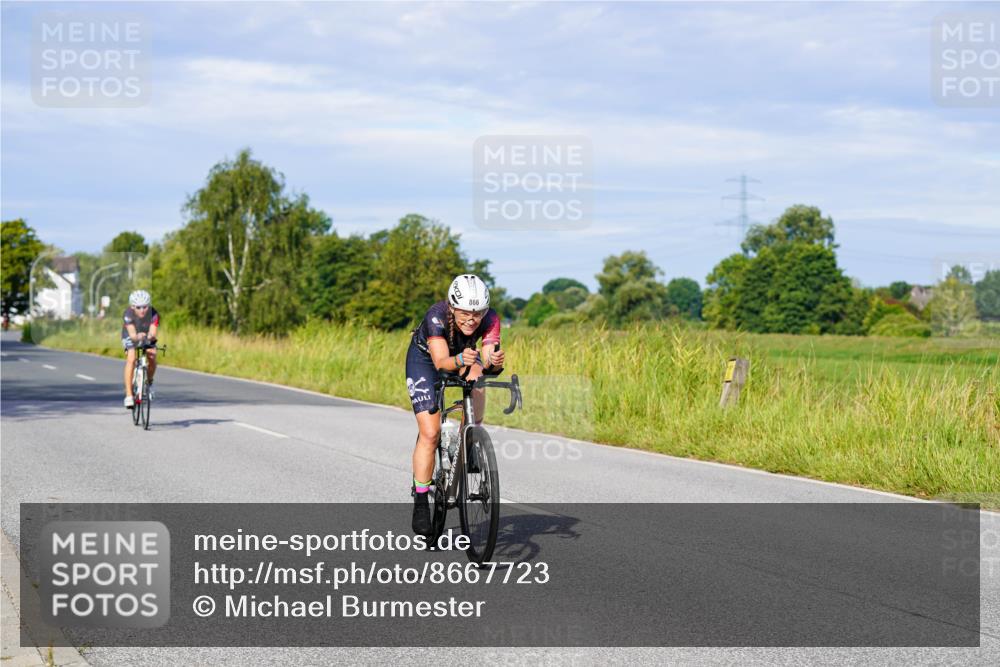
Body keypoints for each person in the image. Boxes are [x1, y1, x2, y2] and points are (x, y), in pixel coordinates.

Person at [406, 274, 506, 537]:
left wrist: (494, 362)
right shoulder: (436, 316)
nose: (472, 320)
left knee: (478, 379)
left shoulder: (491, 318)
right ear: (452, 307)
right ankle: (420, 499)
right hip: (426, 361)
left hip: (465, 357)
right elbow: (441, 362)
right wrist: (461, 359)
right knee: (430, 432)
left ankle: (469, 437)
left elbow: (487, 358)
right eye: (465, 313)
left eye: (477, 313)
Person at [122, 290, 160, 408]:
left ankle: (149, 382)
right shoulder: (128, 314)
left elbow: (153, 333)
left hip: (147, 334)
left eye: (145, 307)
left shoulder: (153, 314)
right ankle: (129, 395)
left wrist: (149, 337)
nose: (142, 310)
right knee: (131, 358)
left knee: (152, 356)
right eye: (138, 307)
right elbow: (133, 335)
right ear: (133, 307)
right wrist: (138, 337)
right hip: (130, 334)